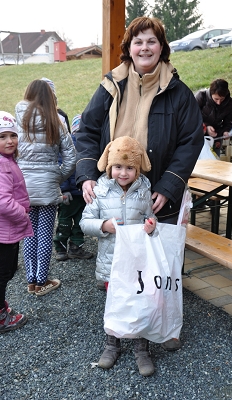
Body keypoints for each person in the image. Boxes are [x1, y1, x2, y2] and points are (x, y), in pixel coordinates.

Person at [75, 16, 204, 352]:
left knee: (162, 262)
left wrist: (169, 185)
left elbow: (191, 142)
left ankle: (162, 326)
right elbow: (87, 132)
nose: (144, 47)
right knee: (123, 261)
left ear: (162, 48)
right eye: (138, 41)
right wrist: (88, 173)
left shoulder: (178, 92)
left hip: (159, 194)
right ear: (128, 48)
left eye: (152, 41)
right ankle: (122, 327)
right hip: (118, 192)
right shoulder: (110, 86)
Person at [80, 136, 157, 376]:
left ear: (138, 168)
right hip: (111, 263)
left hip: (137, 262)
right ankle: (112, 344)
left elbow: (149, 217)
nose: (123, 173)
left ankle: (141, 348)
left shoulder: (144, 190)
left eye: (130, 168)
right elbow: (85, 222)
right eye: (118, 167)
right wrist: (104, 226)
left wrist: (151, 226)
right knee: (115, 303)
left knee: (139, 301)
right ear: (109, 166)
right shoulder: (100, 191)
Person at [15, 79, 76, 296]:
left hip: (24, 189)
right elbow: (71, 158)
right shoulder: (57, 122)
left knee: (28, 233)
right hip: (49, 188)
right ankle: (42, 281)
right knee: (44, 234)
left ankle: (31, 281)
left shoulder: (17, 122)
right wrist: (56, 178)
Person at [0, 111, 33, 333]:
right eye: (2, 137)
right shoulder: (2, 164)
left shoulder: (7, 160)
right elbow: (2, 200)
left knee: (7, 271)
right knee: (4, 272)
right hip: (5, 230)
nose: (9, 141)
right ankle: (1, 317)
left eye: (12, 135)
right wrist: (22, 213)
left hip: (7, 229)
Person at [53, 114, 94, 261]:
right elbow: (61, 166)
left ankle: (74, 248)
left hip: (82, 193)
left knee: (79, 222)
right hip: (71, 194)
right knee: (65, 221)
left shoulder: (89, 145)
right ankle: (61, 248)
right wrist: (63, 189)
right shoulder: (68, 145)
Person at [195, 78, 232, 156]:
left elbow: (230, 121)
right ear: (211, 93)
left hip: (216, 136)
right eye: (216, 99)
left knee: (214, 159)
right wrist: (206, 127)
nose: (218, 102)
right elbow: (191, 117)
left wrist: (226, 131)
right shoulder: (201, 96)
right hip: (198, 135)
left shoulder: (230, 103)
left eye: (222, 99)